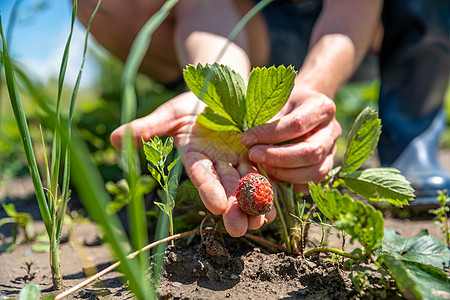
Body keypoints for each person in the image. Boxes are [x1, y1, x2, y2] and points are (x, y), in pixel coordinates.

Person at [76, 0, 449, 237]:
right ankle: (243, 109)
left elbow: (350, 11)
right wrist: (221, 98)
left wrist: (314, 90)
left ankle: (410, 134)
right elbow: (204, 4)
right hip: (260, 25)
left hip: (371, 28)